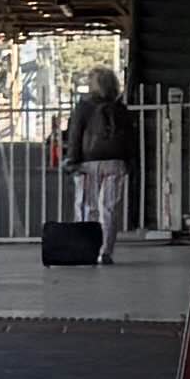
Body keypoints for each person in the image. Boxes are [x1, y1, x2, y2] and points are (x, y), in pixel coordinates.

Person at [57, 71, 136, 249]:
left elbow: (75, 135)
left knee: (87, 206)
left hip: (88, 163)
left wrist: (72, 159)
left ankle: (86, 247)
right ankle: (105, 250)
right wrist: (130, 162)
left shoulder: (84, 107)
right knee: (108, 208)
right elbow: (130, 138)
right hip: (116, 163)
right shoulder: (120, 109)